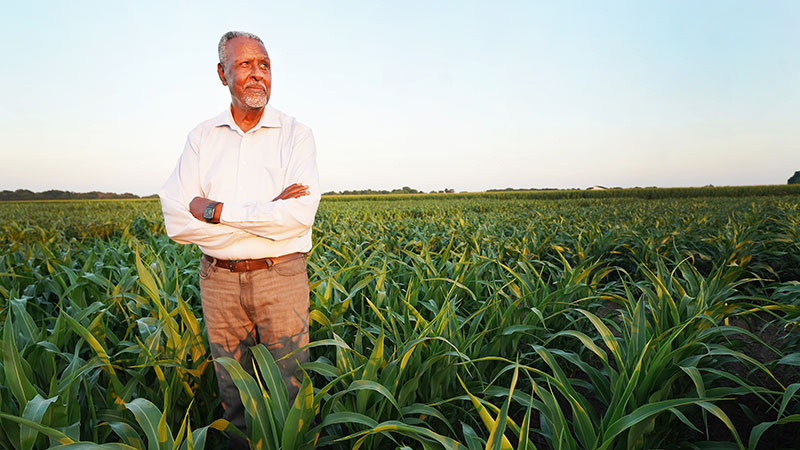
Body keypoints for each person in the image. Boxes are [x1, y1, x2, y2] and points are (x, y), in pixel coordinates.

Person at [159, 30, 320, 445]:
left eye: (264, 65)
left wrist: (217, 212)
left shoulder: (295, 134)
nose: (256, 74)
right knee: (233, 396)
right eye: (245, 64)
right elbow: (177, 219)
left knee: (291, 392)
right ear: (221, 73)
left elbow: (298, 217)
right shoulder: (201, 137)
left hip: (281, 276)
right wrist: (267, 210)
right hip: (220, 281)